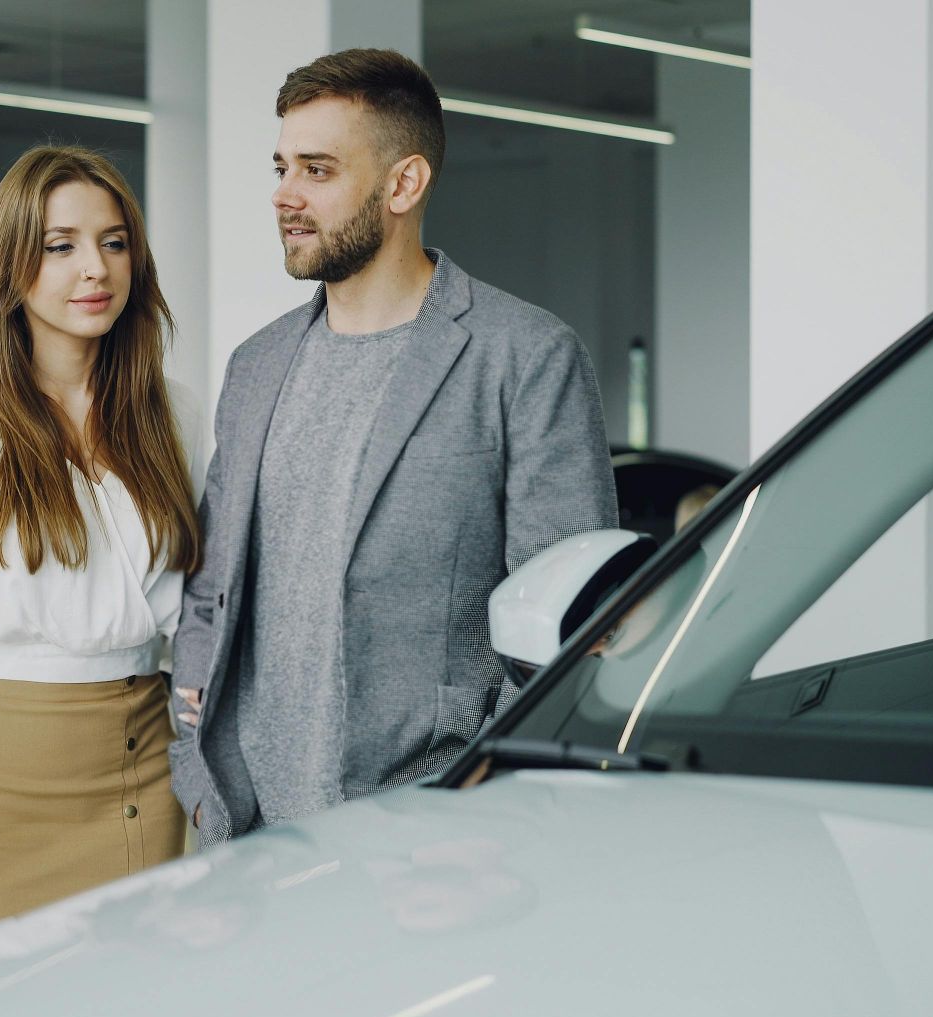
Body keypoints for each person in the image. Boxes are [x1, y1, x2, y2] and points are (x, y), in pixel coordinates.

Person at [169, 48, 618, 844]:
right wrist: (195, 764)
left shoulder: (524, 355)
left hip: (424, 838)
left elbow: (568, 630)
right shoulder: (257, 365)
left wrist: (479, 806)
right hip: (247, 834)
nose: (285, 196)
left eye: (316, 170)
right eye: (281, 168)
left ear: (403, 184)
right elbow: (215, 586)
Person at [0, 146, 202, 958]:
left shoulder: (177, 414)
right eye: (61, 246)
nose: (95, 268)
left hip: (152, 783)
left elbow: (203, 617)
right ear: (13, 267)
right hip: (3, 801)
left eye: (115, 242)